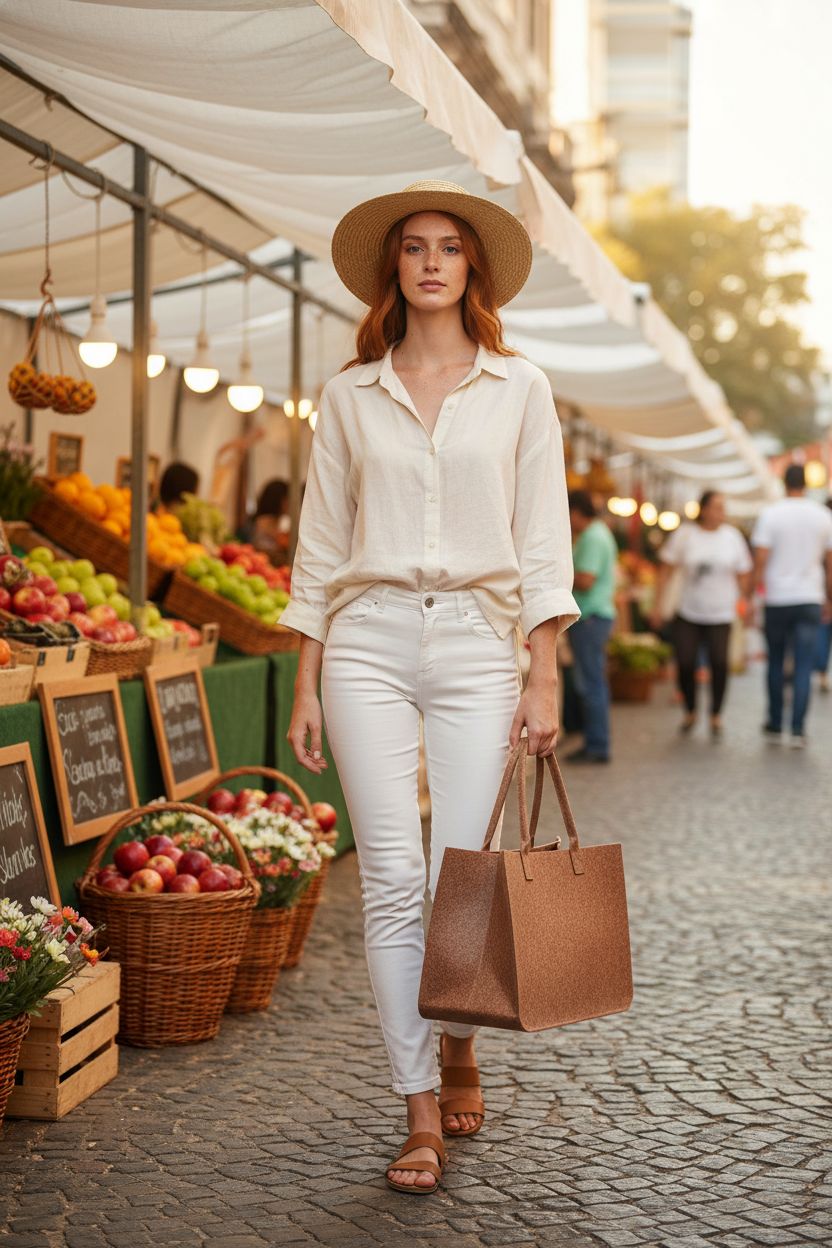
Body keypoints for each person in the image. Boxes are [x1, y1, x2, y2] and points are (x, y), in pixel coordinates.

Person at [279, 181, 578, 1195]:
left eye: (450, 246)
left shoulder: (519, 389)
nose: (433, 261)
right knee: (393, 880)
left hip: (478, 645)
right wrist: (306, 679)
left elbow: (543, 541)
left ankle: (459, 1044)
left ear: (473, 269)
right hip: (365, 640)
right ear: (392, 269)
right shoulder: (349, 395)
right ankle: (416, 1112)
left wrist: (542, 673)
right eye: (415, 247)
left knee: (466, 872)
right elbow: (319, 547)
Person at [651, 489, 752, 737]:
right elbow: (665, 570)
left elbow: (744, 572)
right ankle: (690, 709)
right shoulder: (686, 535)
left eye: (723, 507)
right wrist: (658, 603)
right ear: (704, 509)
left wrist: (745, 602)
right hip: (688, 611)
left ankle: (716, 713)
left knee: (719, 663)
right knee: (685, 661)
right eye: (716, 507)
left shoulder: (732, 537)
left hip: (721, 612)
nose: (721, 512)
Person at [752, 464, 832, 746]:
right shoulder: (823, 516)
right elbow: (830, 563)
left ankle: (776, 722)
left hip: (778, 597)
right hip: (810, 596)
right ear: (806, 485)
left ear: (784, 483)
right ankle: (798, 728)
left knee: (775, 661)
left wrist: (753, 595)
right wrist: (829, 597)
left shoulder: (771, 515)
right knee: (803, 664)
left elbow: (760, 559)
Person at [566, 490, 617, 763]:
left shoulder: (593, 537)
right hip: (593, 617)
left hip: (591, 617)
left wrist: (556, 575)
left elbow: (586, 579)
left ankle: (597, 744)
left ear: (575, 512)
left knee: (591, 682)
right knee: (592, 680)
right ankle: (594, 741)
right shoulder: (597, 534)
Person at [238, 478, 291, 561]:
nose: (290, 503)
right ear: (277, 500)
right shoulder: (263, 522)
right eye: (287, 499)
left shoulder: (278, 521)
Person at [813, 497, 832, 692]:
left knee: (823, 634)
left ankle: (822, 672)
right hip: (824, 592)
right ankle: (822, 672)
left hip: (823, 593)